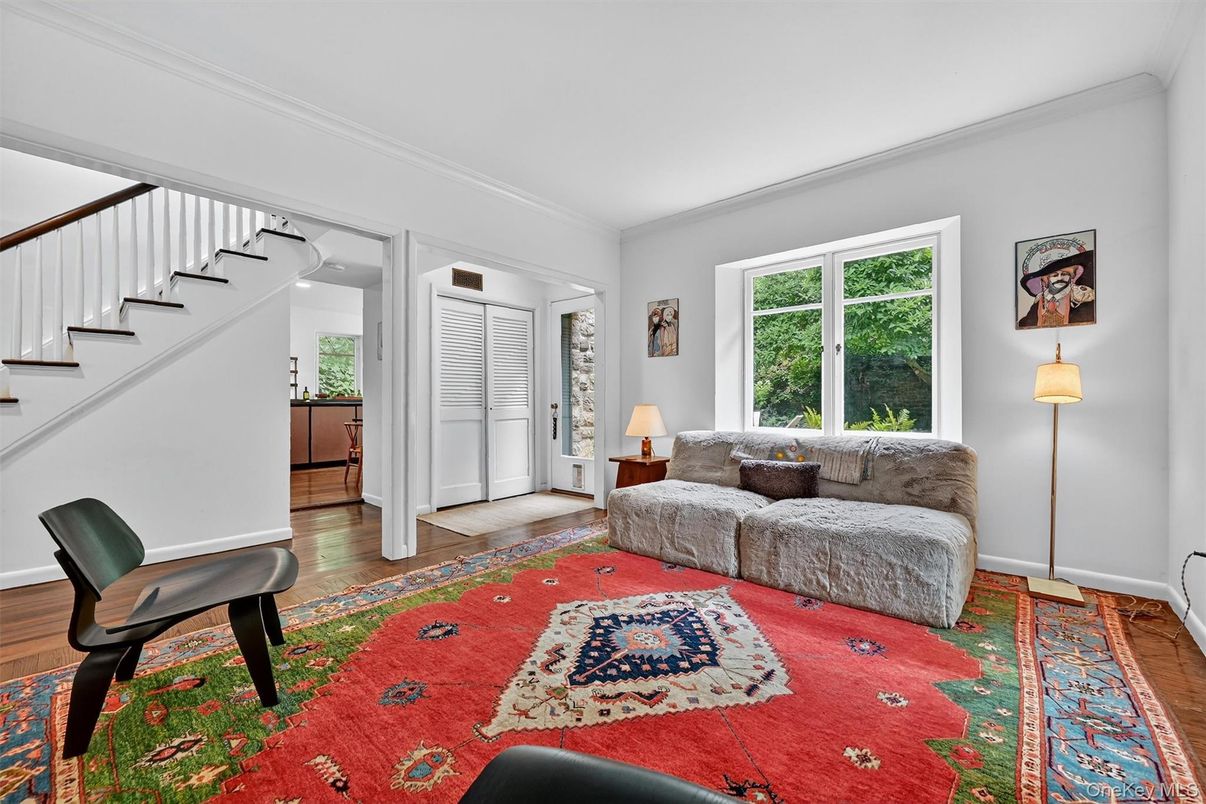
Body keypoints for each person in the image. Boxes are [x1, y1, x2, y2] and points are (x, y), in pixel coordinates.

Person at [1017, 250, 1096, 328]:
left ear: (1071, 277)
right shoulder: (1040, 299)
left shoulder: (1080, 296)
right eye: (1054, 275)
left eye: (1065, 274)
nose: (1060, 278)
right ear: (1046, 280)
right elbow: (1028, 323)